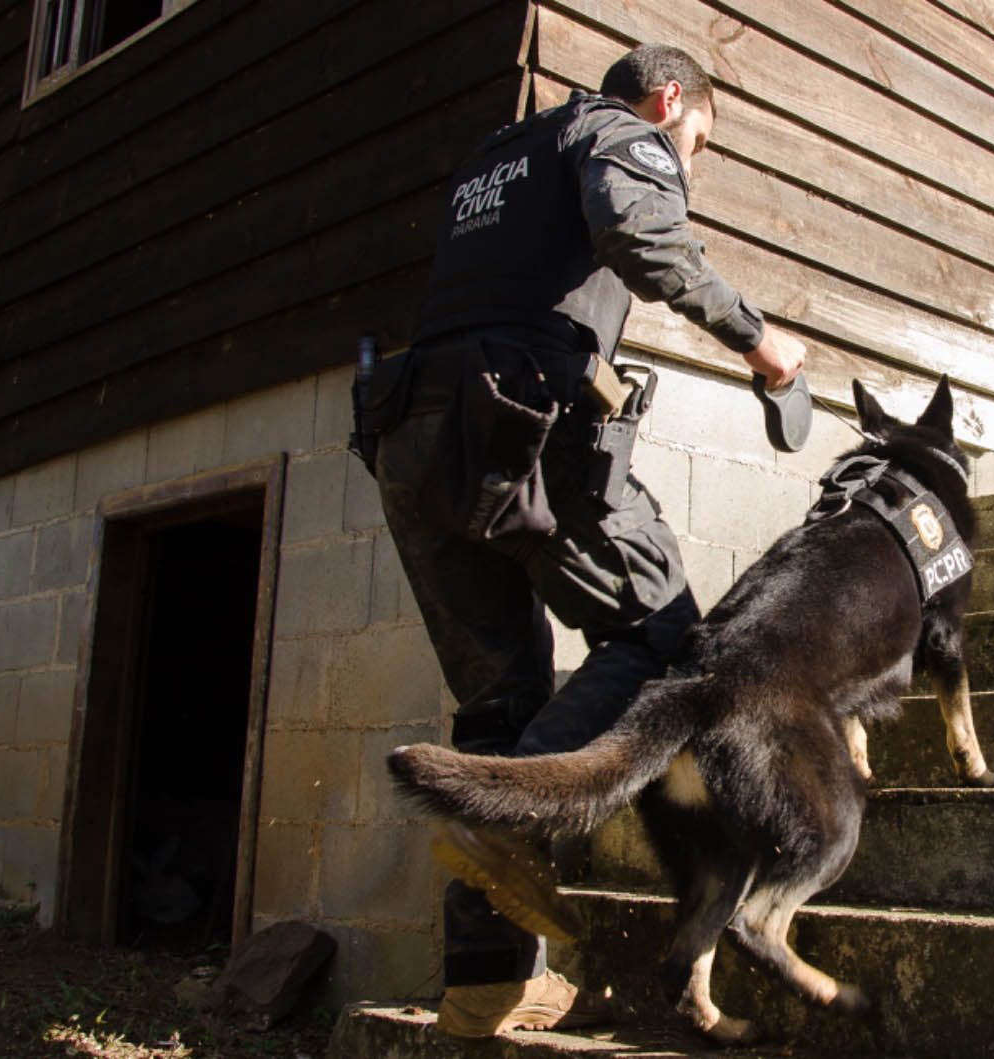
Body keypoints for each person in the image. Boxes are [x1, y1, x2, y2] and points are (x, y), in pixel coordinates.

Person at [374, 43, 806, 1037]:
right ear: (667, 101)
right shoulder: (619, 131)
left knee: (496, 706)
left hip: (412, 434)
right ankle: (504, 828)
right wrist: (758, 339)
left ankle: (482, 989)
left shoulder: (497, 155)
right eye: (695, 143)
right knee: (661, 639)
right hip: (525, 429)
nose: (688, 165)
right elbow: (643, 236)